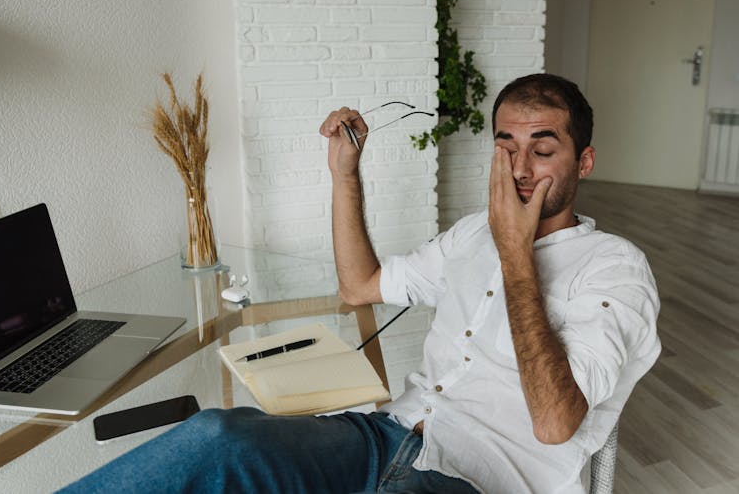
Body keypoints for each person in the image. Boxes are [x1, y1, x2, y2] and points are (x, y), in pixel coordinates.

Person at [59, 74, 660, 494]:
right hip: (385, 436)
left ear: (583, 162)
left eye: (542, 149)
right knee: (216, 436)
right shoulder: (473, 235)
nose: (520, 170)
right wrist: (345, 174)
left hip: (481, 478)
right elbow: (360, 286)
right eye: (506, 147)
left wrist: (516, 255)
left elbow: (556, 425)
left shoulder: (614, 268)